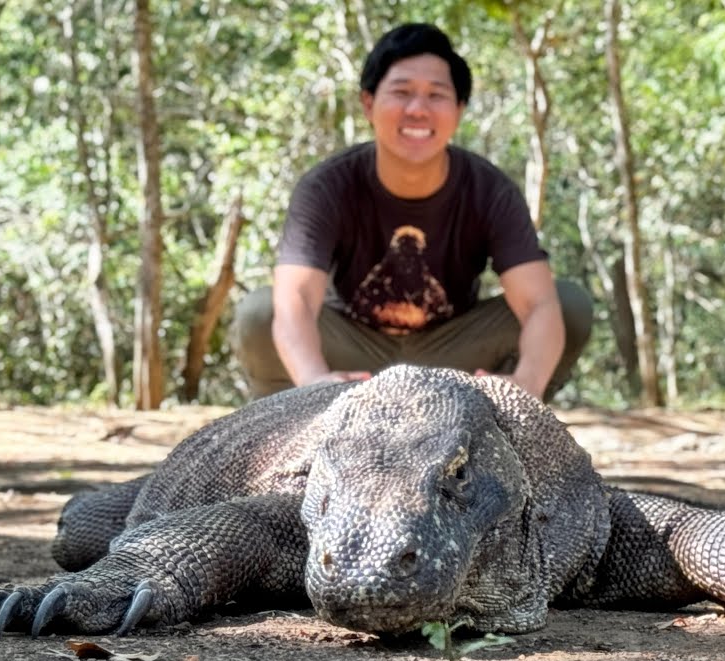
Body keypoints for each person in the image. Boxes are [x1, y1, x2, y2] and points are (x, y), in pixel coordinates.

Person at [231, 23, 592, 402]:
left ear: (459, 110)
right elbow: (297, 299)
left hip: (452, 355)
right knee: (261, 312)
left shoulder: (489, 189)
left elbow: (538, 303)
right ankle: (290, 424)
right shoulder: (327, 187)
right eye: (401, 92)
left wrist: (526, 386)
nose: (418, 109)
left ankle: (506, 428)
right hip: (353, 349)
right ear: (368, 104)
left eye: (436, 95)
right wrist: (313, 380)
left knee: (568, 305)